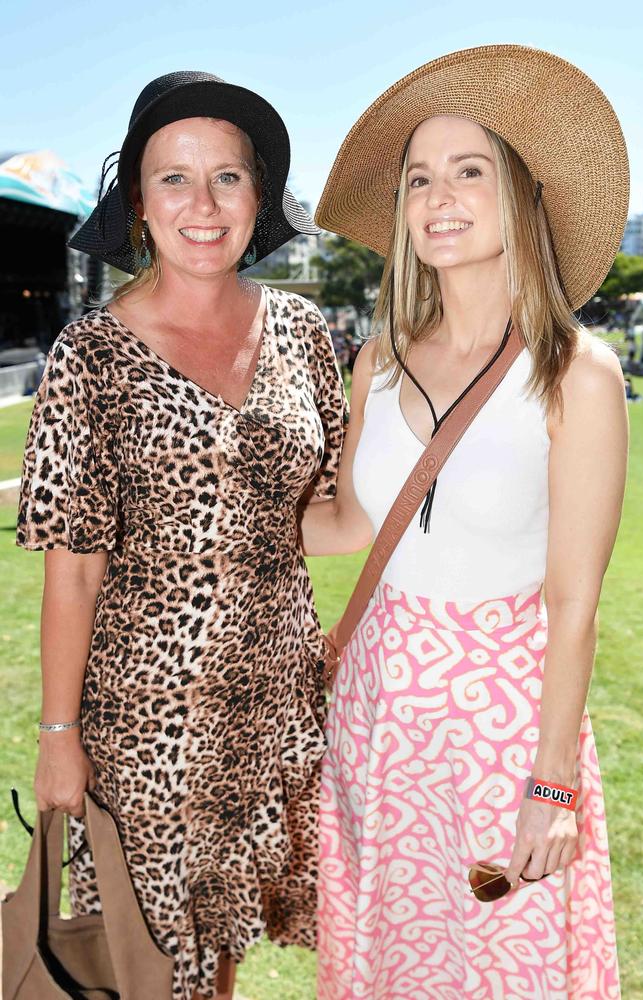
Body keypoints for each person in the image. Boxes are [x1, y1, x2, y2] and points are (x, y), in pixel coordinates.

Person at [300, 45, 628, 998]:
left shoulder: (579, 374)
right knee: (391, 966)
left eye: (468, 170)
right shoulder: (380, 359)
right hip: (373, 723)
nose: (438, 196)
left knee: (502, 967)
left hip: (502, 731)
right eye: (418, 178)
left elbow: (573, 601)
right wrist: (214, 511)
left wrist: (554, 784)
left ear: (519, 194)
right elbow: (354, 522)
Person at [17, 71, 347, 1000]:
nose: (202, 204)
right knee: (149, 968)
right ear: (137, 204)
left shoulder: (306, 332)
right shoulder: (90, 354)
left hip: (273, 711)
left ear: (257, 198)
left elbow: (319, 518)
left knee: (225, 946)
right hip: (143, 724)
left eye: (228, 178)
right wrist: (56, 733)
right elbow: (72, 569)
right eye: (174, 178)